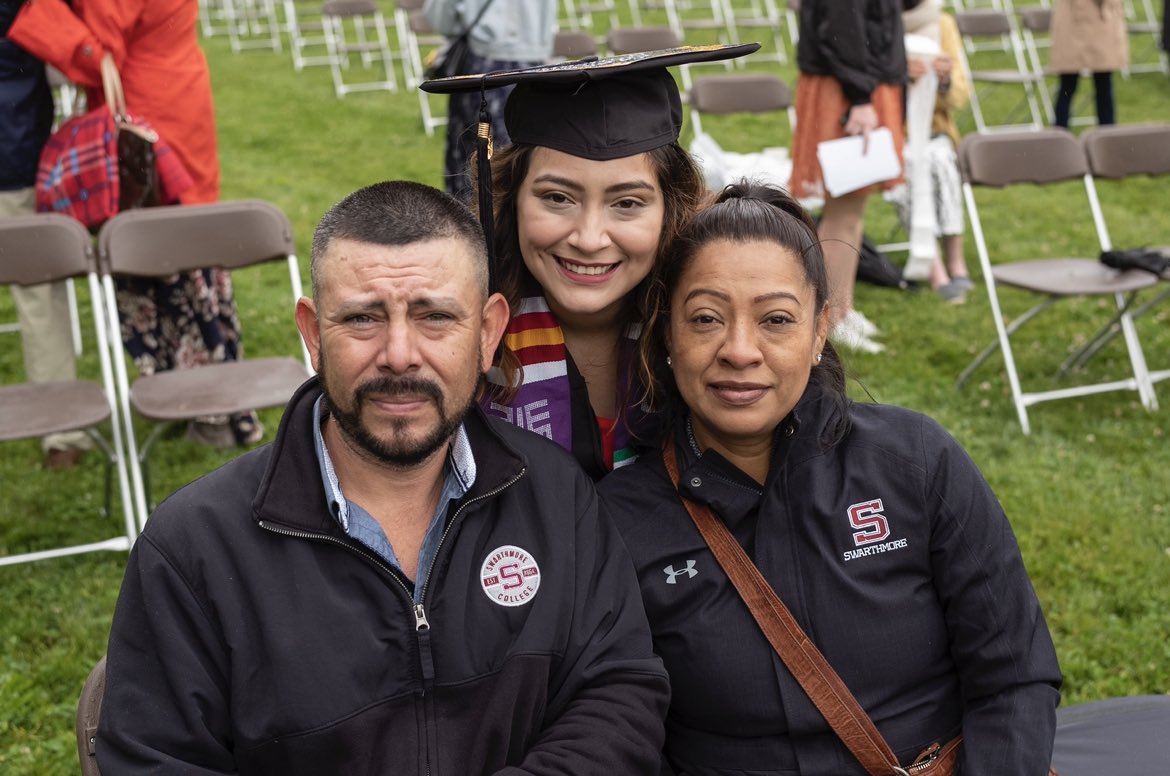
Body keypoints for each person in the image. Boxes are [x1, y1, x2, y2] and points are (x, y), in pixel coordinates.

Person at [95, 180, 670, 775]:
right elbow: (153, 761)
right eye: (364, 318)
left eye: (436, 317)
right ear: (314, 334)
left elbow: (617, 691)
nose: (399, 354)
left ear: (487, 332)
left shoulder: (555, 494)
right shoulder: (195, 548)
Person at [599, 181, 1062, 775]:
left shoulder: (915, 462)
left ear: (821, 328)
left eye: (776, 320)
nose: (740, 350)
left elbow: (1013, 674)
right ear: (667, 332)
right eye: (707, 318)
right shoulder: (617, 523)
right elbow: (622, 733)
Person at [422, 46, 755, 479]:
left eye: (627, 203)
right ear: (511, 200)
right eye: (557, 198)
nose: (589, 238)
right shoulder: (458, 342)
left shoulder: (720, 335)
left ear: (670, 208)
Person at [9, 0, 262, 447]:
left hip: (146, 114)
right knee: (187, 251)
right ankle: (203, 402)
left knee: (162, 257)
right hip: (172, 99)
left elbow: (98, 50)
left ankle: (205, 407)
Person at [1, 0, 91, 469]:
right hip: (13, 140)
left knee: (37, 290)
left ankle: (61, 432)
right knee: (36, 291)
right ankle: (62, 433)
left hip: (12, 143)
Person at [788, 0, 907, 353]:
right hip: (850, 89)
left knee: (853, 212)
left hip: (864, 83)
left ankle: (843, 308)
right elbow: (842, 25)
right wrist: (860, 96)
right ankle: (828, 317)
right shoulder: (857, 90)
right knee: (841, 213)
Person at [423, 0, 557, 204]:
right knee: (525, 153)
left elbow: (440, 18)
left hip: (483, 64)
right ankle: (515, 223)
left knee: (476, 156)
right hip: (535, 64)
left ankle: (471, 228)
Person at [886, 0, 973, 303]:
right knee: (908, 164)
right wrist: (899, 75)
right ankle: (933, 264)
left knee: (941, 160)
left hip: (934, 127)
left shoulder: (943, 24)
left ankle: (956, 259)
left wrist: (943, 79)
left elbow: (960, 95)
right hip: (891, 133)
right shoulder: (877, 21)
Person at [1049, 0, 1128, 128]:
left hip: (1088, 21)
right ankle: (1060, 136)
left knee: (1100, 84)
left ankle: (1106, 136)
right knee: (1072, 85)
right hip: (1081, 20)